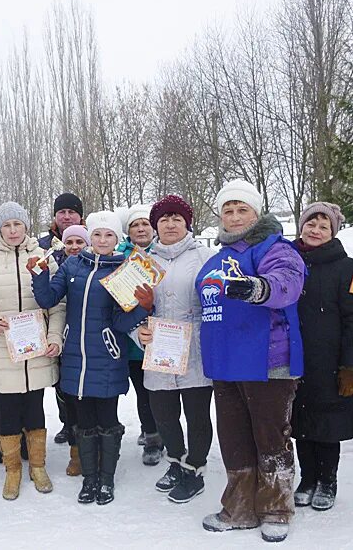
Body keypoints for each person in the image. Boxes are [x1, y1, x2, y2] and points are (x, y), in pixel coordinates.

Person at [195, 180, 305, 543]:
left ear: (257, 213)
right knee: (234, 439)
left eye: (242, 209)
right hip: (225, 361)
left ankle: (275, 508)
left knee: (270, 437)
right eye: (228, 210)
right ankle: (239, 508)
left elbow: (287, 281)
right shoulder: (215, 258)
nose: (234, 216)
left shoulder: (275, 248)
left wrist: (260, 288)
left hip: (266, 361)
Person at [30, 211, 153, 506]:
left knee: (107, 420)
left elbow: (121, 323)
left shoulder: (125, 269)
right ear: (90, 237)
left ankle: (106, 478)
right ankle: (89, 478)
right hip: (75, 356)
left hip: (108, 355)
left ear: (117, 239)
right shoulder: (73, 264)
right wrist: (40, 275)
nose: (102, 240)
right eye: (97, 234)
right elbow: (48, 299)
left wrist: (142, 307)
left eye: (109, 235)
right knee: (83, 421)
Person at [0, 202, 65, 501]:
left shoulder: (42, 257)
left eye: (17, 225)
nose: (12, 231)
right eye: (7, 225)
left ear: (26, 227)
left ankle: (38, 466)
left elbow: (58, 303)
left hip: (36, 350)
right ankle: (12, 470)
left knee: (35, 411)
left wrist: (54, 336)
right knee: (7, 413)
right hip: (2, 350)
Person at [136, 195, 215, 503]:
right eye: (164, 219)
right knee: (164, 413)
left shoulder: (205, 257)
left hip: (194, 346)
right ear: (156, 225)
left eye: (177, 219)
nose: (170, 224)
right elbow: (126, 306)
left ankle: (194, 469)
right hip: (158, 347)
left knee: (197, 414)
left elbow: (217, 301)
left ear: (187, 224)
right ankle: (176, 462)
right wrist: (137, 330)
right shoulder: (142, 260)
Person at [290, 202, 353, 511]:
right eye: (311, 224)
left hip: (330, 360)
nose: (316, 230)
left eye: (324, 226)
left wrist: (351, 365)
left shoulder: (344, 266)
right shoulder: (288, 261)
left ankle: (327, 480)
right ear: (301, 227)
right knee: (300, 422)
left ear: (333, 232)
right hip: (295, 356)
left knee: (327, 424)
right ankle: (307, 479)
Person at [117, 204, 163, 466]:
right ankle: (151, 434)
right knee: (142, 390)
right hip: (132, 337)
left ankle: (161, 433)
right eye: (135, 225)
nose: (141, 229)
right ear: (129, 231)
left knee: (161, 392)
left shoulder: (164, 251)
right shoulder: (119, 255)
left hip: (163, 334)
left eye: (145, 223)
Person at [38, 192, 85, 444]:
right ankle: (67, 422)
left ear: (80, 216)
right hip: (55, 318)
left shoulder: (93, 239)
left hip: (85, 318)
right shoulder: (43, 245)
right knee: (61, 378)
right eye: (61, 212)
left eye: (72, 212)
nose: (66, 216)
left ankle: (85, 421)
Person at [58, 224, 91, 476]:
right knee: (68, 398)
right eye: (69, 242)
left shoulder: (97, 266)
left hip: (90, 342)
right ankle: (76, 449)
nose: (74, 247)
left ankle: (94, 449)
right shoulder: (58, 267)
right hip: (63, 341)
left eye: (80, 242)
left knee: (90, 400)